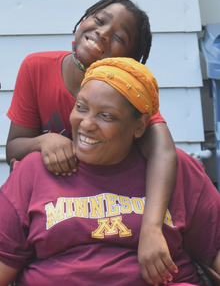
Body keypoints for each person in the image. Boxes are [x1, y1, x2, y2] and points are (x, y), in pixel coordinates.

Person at [0, 57, 219, 286]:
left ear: (140, 126)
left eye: (106, 116)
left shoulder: (178, 171)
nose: (86, 124)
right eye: (81, 108)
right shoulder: (34, 171)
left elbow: (213, 253)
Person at [5, 0, 178, 284]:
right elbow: (14, 146)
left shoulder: (131, 94)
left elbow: (164, 153)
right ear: (83, 19)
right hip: (44, 208)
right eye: (99, 20)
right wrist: (43, 143)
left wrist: (150, 229)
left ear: (129, 61)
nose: (103, 32)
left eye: (119, 36)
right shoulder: (36, 67)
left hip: (107, 204)